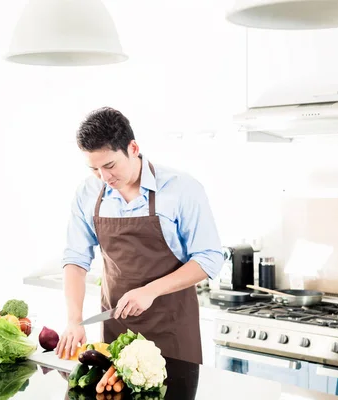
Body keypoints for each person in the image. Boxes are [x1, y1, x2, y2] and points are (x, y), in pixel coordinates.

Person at [55, 107, 223, 364]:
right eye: (94, 169)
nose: (104, 177)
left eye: (110, 165)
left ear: (132, 148)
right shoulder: (88, 192)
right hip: (116, 330)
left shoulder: (181, 188)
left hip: (172, 331)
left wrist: (150, 291)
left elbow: (210, 258)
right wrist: (74, 320)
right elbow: (76, 259)